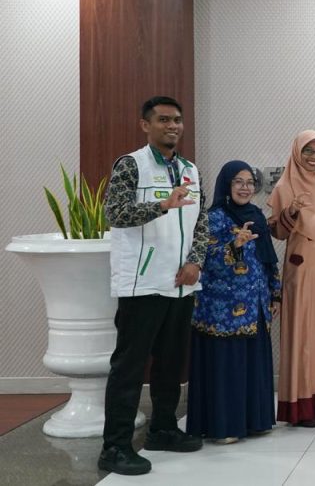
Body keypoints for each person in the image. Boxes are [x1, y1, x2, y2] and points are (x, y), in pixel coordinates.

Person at [98, 96, 207, 476]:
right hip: (141, 283)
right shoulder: (132, 165)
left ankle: (163, 429)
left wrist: (196, 262)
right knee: (129, 368)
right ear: (146, 125)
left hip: (180, 283)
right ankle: (115, 447)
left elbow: (201, 220)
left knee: (171, 364)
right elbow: (115, 213)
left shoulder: (190, 170)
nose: (172, 126)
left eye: (177, 120)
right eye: (163, 120)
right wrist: (161, 205)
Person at [187, 161, 279, 443]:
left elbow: (268, 259)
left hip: (256, 304)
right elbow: (203, 259)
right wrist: (233, 246)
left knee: (251, 363)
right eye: (238, 182)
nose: (245, 187)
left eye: (250, 182)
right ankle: (225, 426)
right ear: (227, 185)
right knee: (228, 366)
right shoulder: (213, 218)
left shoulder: (256, 216)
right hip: (222, 309)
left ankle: (254, 421)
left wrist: (275, 292)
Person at [268, 131, 315, 428]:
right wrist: (291, 211)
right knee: (302, 337)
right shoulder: (285, 184)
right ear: (297, 152)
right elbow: (277, 232)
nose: (313, 157)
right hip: (300, 268)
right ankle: (301, 406)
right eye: (308, 151)